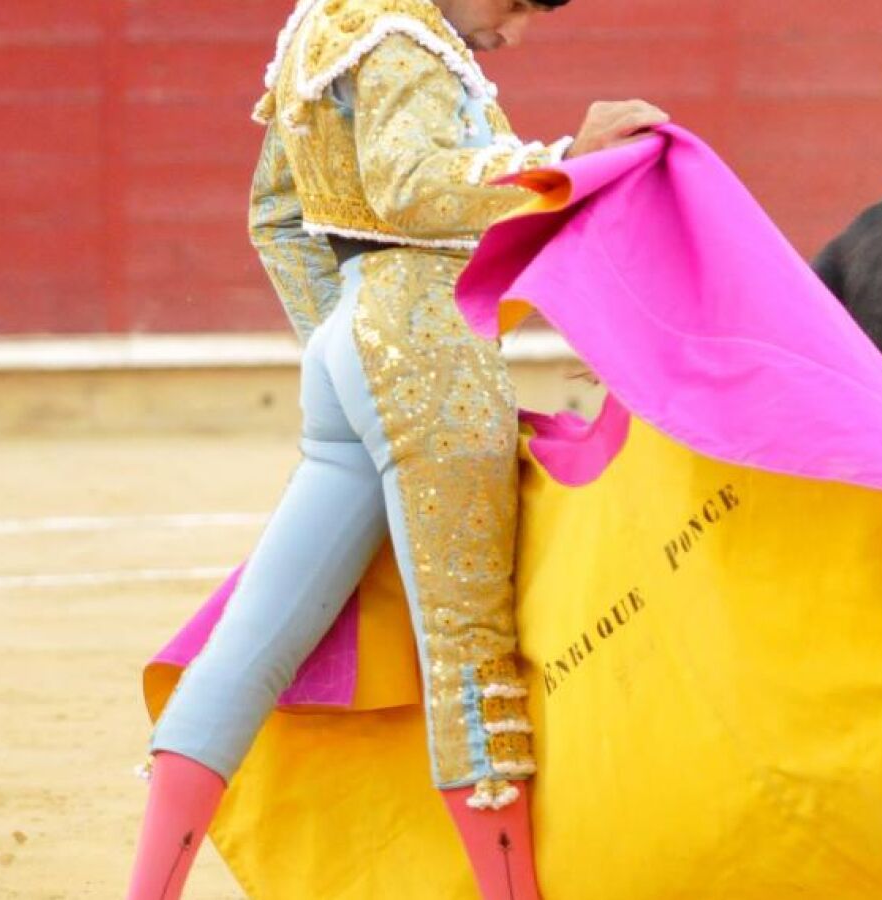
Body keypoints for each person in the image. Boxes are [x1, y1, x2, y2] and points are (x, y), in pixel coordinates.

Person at [124, 1, 666, 897]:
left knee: (250, 645)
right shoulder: (405, 38)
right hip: (427, 353)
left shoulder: (326, 25)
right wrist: (564, 159)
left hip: (350, 346)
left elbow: (277, 216)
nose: (515, 33)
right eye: (516, 3)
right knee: (470, 651)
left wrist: (348, 341)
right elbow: (410, 184)